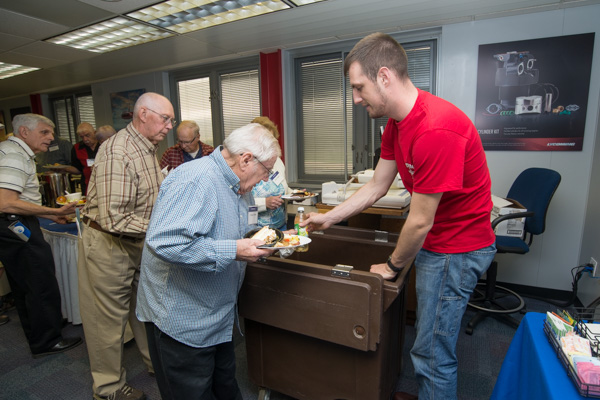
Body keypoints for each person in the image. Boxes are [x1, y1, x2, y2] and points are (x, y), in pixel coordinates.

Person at [301, 33, 497, 400]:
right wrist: (328, 217)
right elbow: (377, 186)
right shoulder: (396, 123)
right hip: (438, 240)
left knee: (433, 352)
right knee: (426, 338)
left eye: (359, 87)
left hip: (457, 249)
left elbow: (420, 220)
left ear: (385, 76)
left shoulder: (436, 128)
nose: (355, 98)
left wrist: (391, 267)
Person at [136, 123, 280, 400]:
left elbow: (233, 231)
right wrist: (236, 251)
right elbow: (167, 242)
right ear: (246, 159)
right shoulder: (195, 179)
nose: (265, 180)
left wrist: (259, 243)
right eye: (266, 170)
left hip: (216, 313)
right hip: (182, 318)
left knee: (224, 386)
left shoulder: (238, 185)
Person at [77, 92, 175, 400]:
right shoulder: (118, 151)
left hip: (137, 243)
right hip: (109, 244)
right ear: (143, 114)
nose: (170, 126)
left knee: (144, 310)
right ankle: (108, 389)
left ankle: (153, 364)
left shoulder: (147, 148)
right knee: (107, 321)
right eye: (166, 119)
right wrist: (162, 230)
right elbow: (113, 219)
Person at [0, 113, 82, 357]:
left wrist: (48, 217)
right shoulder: (14, 155)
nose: (51, 138)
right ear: (24, 132)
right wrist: (53, 210)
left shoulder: (9, 150)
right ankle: (47, 341)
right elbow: (6, 203)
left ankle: (40, 335)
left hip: (14, 223)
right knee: (39, 280)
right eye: (45, 132)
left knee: (25, 284)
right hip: (15, 225)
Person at [250, 116, 291, 230]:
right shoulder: (246, 165)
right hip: (256, 228)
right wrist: (264, 203)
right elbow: (239, 205)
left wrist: (295, 195)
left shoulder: (277, 161)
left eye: (272, 140)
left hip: (280, 225)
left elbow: (283, 186)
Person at [53, 122, 99, 195]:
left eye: (87, 135)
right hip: (87, 186)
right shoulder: (77, 148)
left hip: (104, 183)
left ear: (94, 132)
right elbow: (77, 169)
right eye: (82, 137)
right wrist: (63, 168)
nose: (85, 139)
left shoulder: (104, 144)